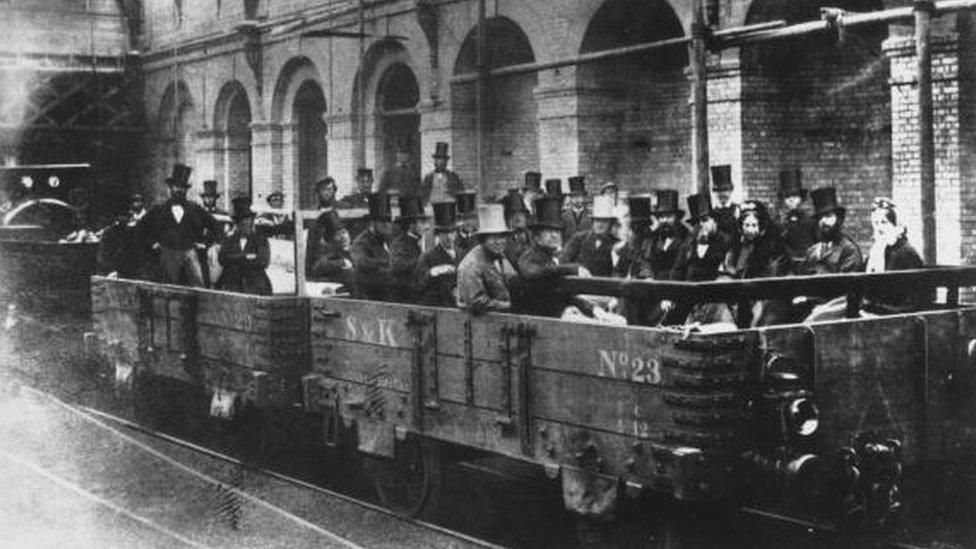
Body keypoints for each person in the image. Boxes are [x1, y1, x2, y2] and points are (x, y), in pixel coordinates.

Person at [141, 164, 221, 287]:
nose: (178, 190)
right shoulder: (159, 210)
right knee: (168, 290)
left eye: (182, 187)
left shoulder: (195, 209)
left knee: (198, 289)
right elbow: (141, 229)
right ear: (170, 188)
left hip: (190, 254)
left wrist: (205, 243)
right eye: (176, 186)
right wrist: (152, 243)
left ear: (186, 190)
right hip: (167, 254)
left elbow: (216, 227)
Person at [518, 195, 596, 318]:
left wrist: (591, 309)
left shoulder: (552, 257)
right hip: (539, 322)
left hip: (555, 317)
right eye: (548, 231)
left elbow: (562, 293)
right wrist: (571, 269)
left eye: (557, 231)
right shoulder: (529, 257)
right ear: (537, 237)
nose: (554, 235)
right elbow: (531, 272)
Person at [796, 187, 865, 321]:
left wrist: (812, 299)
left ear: (838, 219)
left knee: (808, 323)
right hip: (816, 302)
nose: (824, 222)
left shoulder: (849, 250)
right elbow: (803, 277)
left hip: (840, 306)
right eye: (820, 217)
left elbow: (845, 290)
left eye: (828, 216)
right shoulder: (816, 248)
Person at [662, 193, 732, 325]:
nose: (701, 225)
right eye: (697, 223)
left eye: (705, 220)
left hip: (714, 299)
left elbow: (728, 272)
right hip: (688, 299)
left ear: (714, 221)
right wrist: (669, 296)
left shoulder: (725, 241)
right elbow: (678, 270)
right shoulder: (689, 242)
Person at [720, 200, 793, 327]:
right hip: (742, 296)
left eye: (754, 225)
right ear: (741, 227)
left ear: (761, 227)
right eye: (746, 225)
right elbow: (729, 270)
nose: (750, 230)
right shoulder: (737, 248)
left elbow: (770, 278)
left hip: (768, 297)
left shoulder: (774, 247)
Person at [861, 198, 926, 315]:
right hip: (879, 310)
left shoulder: (905, 253)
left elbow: (909, 299)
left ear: (896, 225)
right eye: (876, 223)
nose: (879, 228)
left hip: (898, 313)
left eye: (884, 222)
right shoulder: (877, 251)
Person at [456, 204, 517, 315]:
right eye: (493, 237)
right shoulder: (471, 265)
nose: (499, 242)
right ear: (483, 239)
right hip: (479, 325)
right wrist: (509, 305)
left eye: (502, 236)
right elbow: (476, 303)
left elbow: (512, 280)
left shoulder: (500, 257)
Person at [215, 196, 272, 295]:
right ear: (236, 223)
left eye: (248, 220)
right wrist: (247, 256)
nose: (245, 223)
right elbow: (222, 259)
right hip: (232, 283)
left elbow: (263, 261)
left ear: (252, 221)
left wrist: (235, 259)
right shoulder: (229, 240)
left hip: (255, 284)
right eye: (241, 220)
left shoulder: (260, 240)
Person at [560, 194, 620, 277]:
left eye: (604, 221)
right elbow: (563, 262)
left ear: (610, 224)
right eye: (597, 220)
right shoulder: (578, 239)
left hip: (604, 287)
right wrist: (577, 269)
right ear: (593, 221)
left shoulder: (615, 243)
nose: (600, 224)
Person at [97, 192, 151, 279]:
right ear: (118, 217)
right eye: (125, 216)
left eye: (129, 216)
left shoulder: (132, 231)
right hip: (113, 273)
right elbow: (103, 256)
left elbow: (137, 254)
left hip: (129, 272)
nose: (128, 218)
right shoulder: (109, 233)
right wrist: (111, 270)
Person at [416, 202, 461, 307]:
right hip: (438, 308)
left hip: (459, 308)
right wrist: (433, 272)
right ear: (438, 235)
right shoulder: (427, 257)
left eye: (452, 233)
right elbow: (420, 285)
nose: (449, 237)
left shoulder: (462, 254)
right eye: (445, 233)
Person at [350, 192, 394, 300]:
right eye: (383, 222)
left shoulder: (390, 239)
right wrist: (386, 262)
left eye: (389, 221)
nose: (387, 226)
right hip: (370, 299)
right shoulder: (361, 242)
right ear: (372, 223)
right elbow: (360, 262)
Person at [389, 196, 430, 303]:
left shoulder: (421, 241)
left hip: (420, 292)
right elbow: (397, 266)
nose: (427, 227)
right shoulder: (400, 243)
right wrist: (424, 259)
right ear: (411, 225)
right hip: (405, 297)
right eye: (422, 222)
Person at [777, 169, 816, 265]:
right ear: (783, 200)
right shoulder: (777, 223)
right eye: (787, 197)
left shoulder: (809, 221)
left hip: (806, 264)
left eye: (794, 196)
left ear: (801, 199)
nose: (791, 200)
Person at [305, 177, 342, 277]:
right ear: (318, 192)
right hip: (320, 261)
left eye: (329, 189)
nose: (326, 193)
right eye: (323, 189)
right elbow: (310, 243)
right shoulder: (314, 214)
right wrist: (307, 270)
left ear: (334, 191)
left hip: (338, 259)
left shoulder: (341, 210)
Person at [309, 214, 355, 289]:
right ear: (331, 239)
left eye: (344, 232)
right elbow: (317, 268)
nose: (343, 237)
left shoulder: (358, 247)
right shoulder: (331, 254)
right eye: (338, 234)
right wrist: (340, 263)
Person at [502, 189, 531, 269]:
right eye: (513, 214)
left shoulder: (532, 236)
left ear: (526, 217)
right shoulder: (504, 241)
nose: (518, 218)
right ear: (507, 219)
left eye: (521, 213)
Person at [710, 165, 740, 240]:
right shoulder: (712, 213)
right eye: (719, 191)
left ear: (730, 191)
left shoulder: (738, 210)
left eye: (725, 190)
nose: (722, 194)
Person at [561, 176, 591, 242]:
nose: (577, 200)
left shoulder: (590, 215)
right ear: (571, 199)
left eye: (580, 196)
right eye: (574, 197)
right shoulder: (564, 216)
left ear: (584, 197)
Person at [455, 190, 479, 261]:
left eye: (471, 218)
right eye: (465, 218)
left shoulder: (479, 238)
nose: (468, 222)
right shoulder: (454, 238)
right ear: (459, 220)